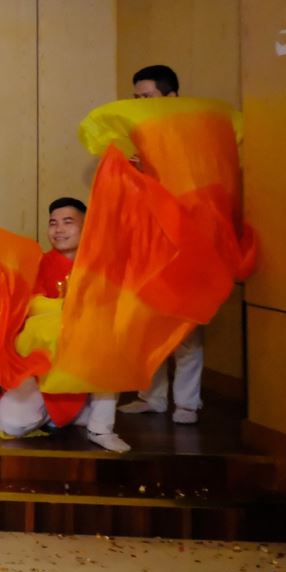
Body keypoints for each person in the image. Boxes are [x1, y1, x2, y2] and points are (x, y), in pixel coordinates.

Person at [0, 197, 129, 452]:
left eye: (68, 222)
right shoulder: (35, 263)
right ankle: (65, 414)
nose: (59, 229)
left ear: (87, 226)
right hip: (40, 362)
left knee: (109, 341)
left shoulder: (103, 267)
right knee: (12, 424)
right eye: (53, 223)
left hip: (87, 358)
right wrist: (70, 309)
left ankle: (101, 427)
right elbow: (29, 306)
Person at [117, 63, 204, 425]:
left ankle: (187, 403)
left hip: (185, 245)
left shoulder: (193, 137)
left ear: (172, 96)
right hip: (148, 245)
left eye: (148, 97)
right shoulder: (139, 136)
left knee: (185, 329)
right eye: (136, 98)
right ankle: (150, 396)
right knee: (147, 326)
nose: (141, 104)